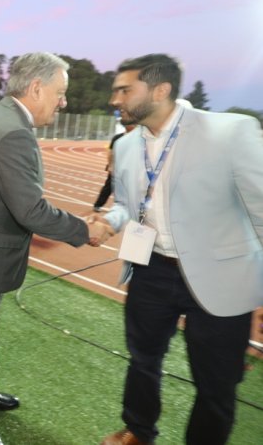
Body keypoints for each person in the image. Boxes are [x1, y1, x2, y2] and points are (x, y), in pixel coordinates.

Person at [88, 54, 263, 445]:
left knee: (216, 382)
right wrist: (108, 222)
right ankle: (138, 429)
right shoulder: (128, 144)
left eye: (124, 89)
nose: (115, 98)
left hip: (223, 276)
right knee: (143, 359)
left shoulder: (230, 131)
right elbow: (127, 206)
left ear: (160, 90)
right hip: (151, 269)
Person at [0, 52, 110, 445]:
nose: (63, 101)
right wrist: (85, 230)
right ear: (36, 88)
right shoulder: (13, 130)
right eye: (60, 92)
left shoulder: (1, 116)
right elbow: (31, 210)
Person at [93, 122, 136, 212]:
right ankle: (98, 205)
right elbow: (111, 152)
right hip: (117, 166)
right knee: (108, 187)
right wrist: (111, 165)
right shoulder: (117, 138)